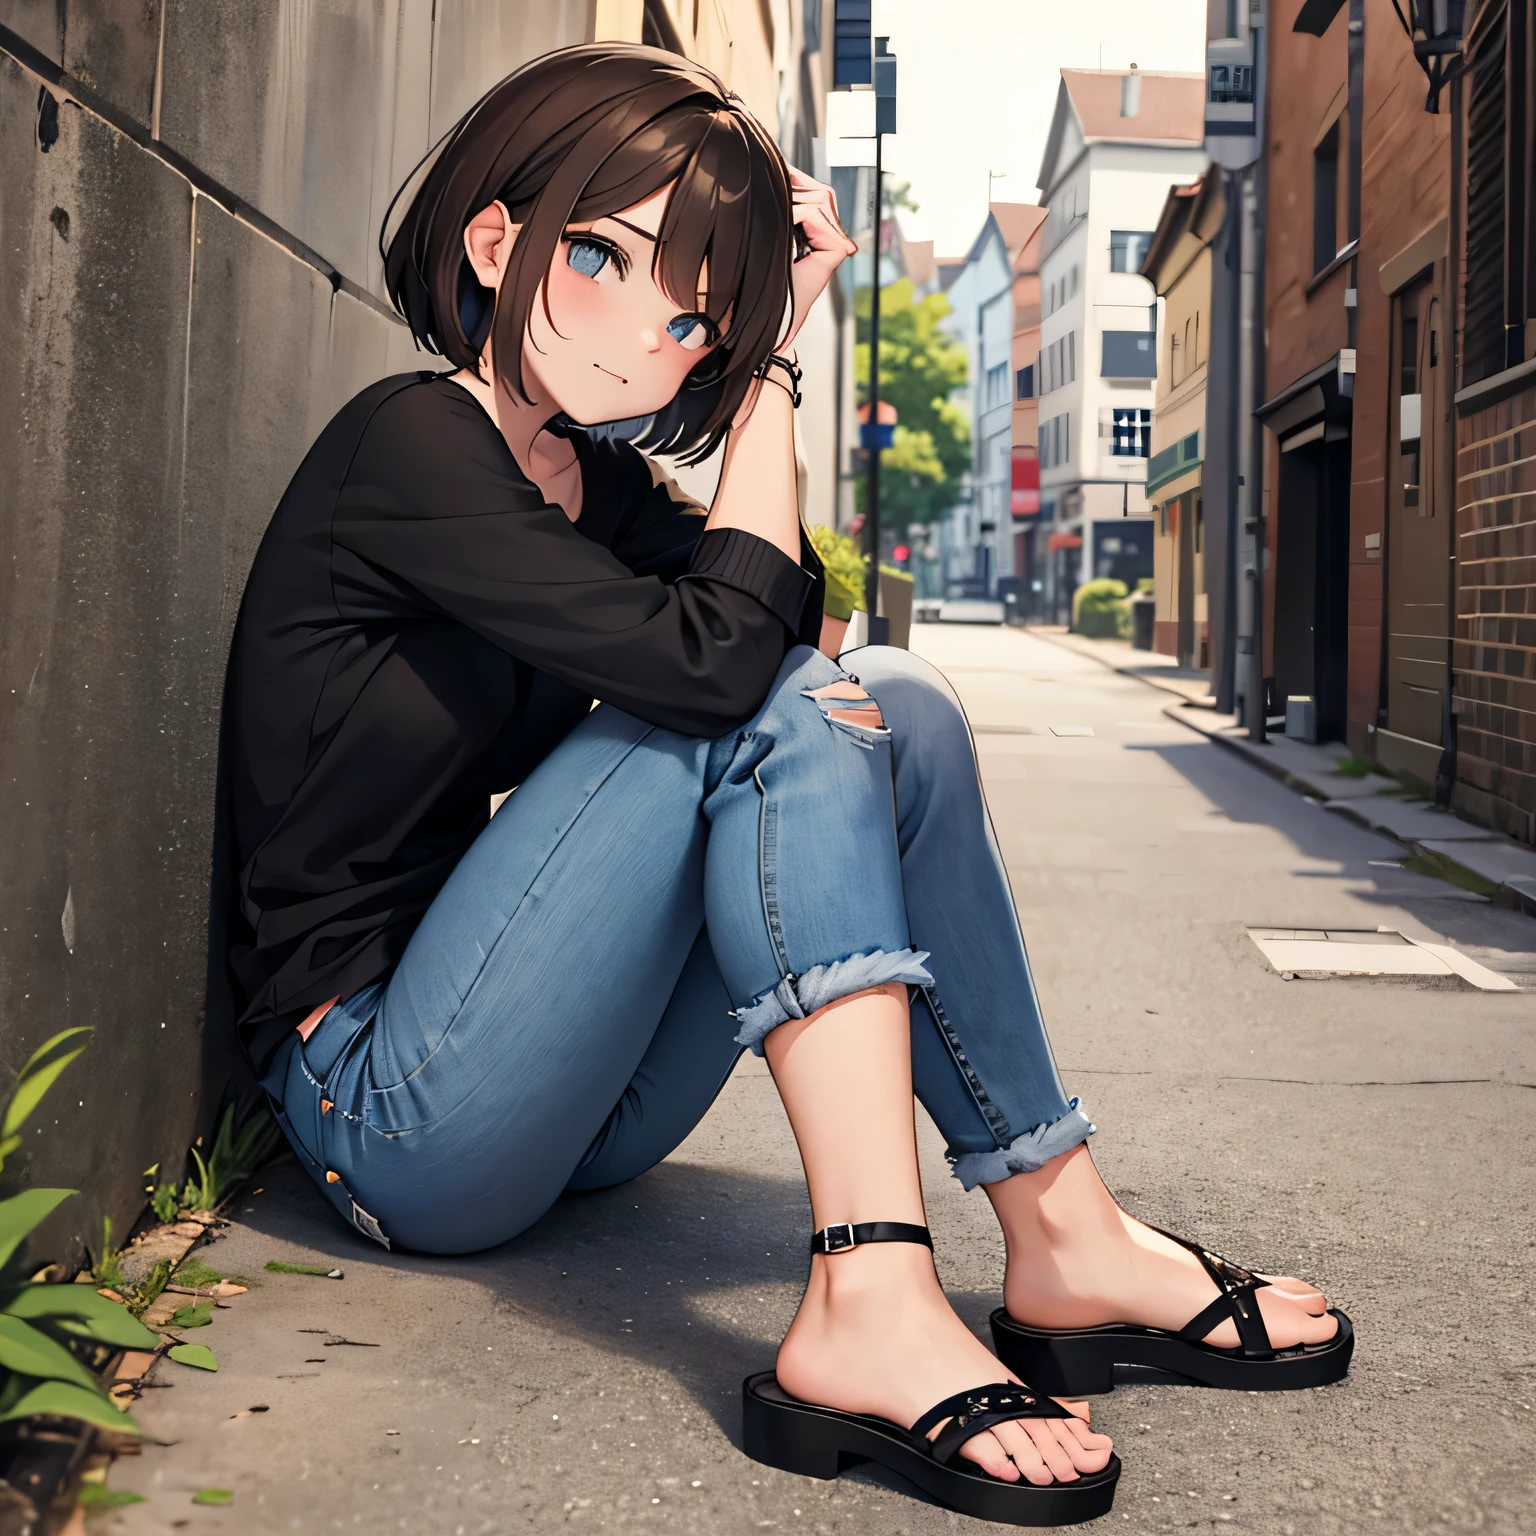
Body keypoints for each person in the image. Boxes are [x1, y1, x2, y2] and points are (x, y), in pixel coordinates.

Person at [223, 44, 1348, 1525]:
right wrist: (776, 380)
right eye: (602, 262)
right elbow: (721, 672)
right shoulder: (409, 447)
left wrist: (764, 358)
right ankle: (870, 1293)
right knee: (762, 703)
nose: (651, 339)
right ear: (495, 246)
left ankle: (1061, 1226)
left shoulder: (592, 485)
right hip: (390, 1112)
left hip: (572, 1107)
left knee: (904, 707)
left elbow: (798, 625)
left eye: (694, 317)